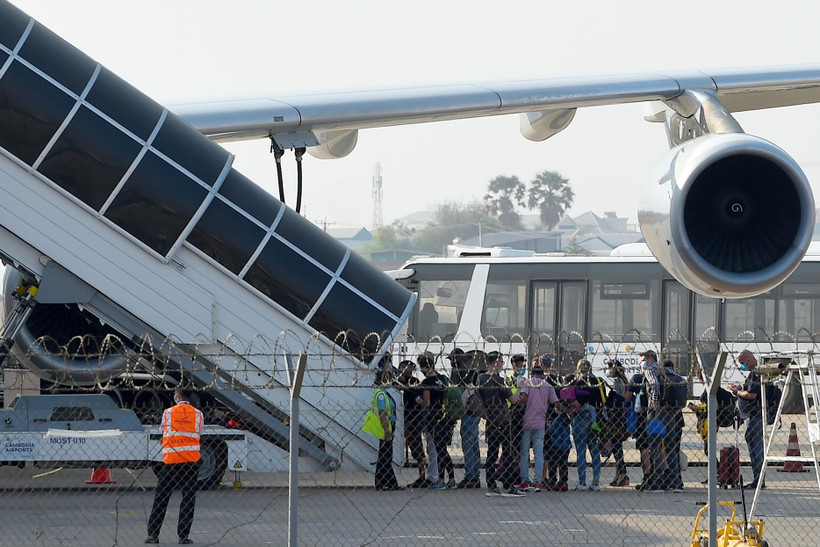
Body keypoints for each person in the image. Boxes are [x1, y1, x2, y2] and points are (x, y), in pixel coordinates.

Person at [146, 386, 204, 545]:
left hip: (171, 461)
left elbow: (163, 432)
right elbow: (199, 433)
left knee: (161, 497)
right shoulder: (198, 414)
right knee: (188, 499)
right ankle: (183, 536)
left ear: (177, 396)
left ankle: (153, 534)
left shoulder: (168, 413)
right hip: (190, 462)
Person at [478, 351, 524, 497]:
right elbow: (513, 400)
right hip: (503, 420)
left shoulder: (481, 378)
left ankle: (491, 485)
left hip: (490, 420)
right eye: (502, 362)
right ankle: (509, 484)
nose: (502, 365)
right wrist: (520, 387)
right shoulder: (499, 380)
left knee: (492, 454)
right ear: (496, 363)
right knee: (508, 452)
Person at [518, 363, 560, 492]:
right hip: (540, 423)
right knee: (539, 453)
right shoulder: (547, 386)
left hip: (527, 422)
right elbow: (556, 403)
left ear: (532, 374)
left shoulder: (528, 383)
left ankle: (524, 482)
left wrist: (520, 405)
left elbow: (524, 399)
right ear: (542, 374)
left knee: (524, 453)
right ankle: (538, 482)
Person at [729, 349, 765, 489]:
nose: (742, 366)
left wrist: (738, 392)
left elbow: (752, 395)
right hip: (753, 415)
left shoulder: (756, 373)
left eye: (743, 363)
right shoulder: (754, 373)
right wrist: (741, 387)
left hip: (754, 415)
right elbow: (749, 390)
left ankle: (758, 479)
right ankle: (759, 478)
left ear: (748, 360)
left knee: (755, 447)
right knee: (755, 445)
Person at [419, 353, 456, 489]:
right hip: (445, 416)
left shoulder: (427, 383)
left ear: (423, 367)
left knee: (440, 450)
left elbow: (427, 402)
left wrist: (419, 400)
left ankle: (446, 479)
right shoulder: (443, 379)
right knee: (442, 449)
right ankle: (445, 479)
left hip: (433, 419)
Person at [393, 359, 428, 488]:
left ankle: (422, 476)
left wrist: (404, 384)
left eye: (406, 368)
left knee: (416, 447)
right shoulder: (397, 381)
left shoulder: (414, 382)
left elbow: (416, 396)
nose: (403, 371)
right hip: (401, 417)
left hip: (413, 419)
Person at [450, 348, 482, 488]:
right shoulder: (473, 371)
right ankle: (475, 475)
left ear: (461, 358)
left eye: (454, 359)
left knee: (469, 444)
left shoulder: (461, 373)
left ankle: (470, 476)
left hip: (468, 410)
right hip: (474, 411)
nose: (452, 362)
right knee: (473, 444)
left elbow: (456, 391)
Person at [636, 350, 666, 492]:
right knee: (660, 445)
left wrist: (654, 401)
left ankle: (656, 481)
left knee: (653, 446)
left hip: (652, 413)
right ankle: (666, 478)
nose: (639, 364)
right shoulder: (662, 369)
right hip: (665, 412)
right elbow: (685, 383)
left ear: (649, 360)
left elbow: (654, 384)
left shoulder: (649, 370)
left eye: (641, 361)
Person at [571, 359, 602, 491]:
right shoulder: (598, 382)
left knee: (581, 451)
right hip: (595, 419)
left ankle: (582, 482)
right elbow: (601, 400)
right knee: (595, 450)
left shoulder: (580, 382)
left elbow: (578, 403)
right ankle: (596, 482)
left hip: (581, 417)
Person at [372, 366, 403, 491]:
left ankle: (391, 483)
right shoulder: (380, 395)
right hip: (386, 427)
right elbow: (382, 413)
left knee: (386, 455)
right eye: (389, 379)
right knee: (385, 456)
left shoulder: (384, 393)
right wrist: (386, 431)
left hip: (390, 426)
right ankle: (382, 482)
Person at [544, 375, 576, 492]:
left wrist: (549, 427)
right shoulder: (567, 421)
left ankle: (552, 481)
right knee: (563, 465)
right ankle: (563, 482)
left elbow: (552, 432)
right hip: (566, 446)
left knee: (553, 463)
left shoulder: (557, 420)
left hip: (556, 446)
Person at [604, 359, 630, 487]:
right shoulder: (623, 381)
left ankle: (622, 473)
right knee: (616, 446)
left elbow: (619, 400)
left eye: (609, 368)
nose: (607, 371)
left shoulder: (618, 382)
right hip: (620, 418)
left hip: (617, 418)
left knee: (616, 446)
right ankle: (619, 473)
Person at [661, 360, 685, 492]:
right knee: (674, 450)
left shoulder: (661, 380)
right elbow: (683, 403)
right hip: (677, 420)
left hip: (662, 419)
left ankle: (665, 479)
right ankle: (677, 481)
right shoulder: (680, 380)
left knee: (661, 450)